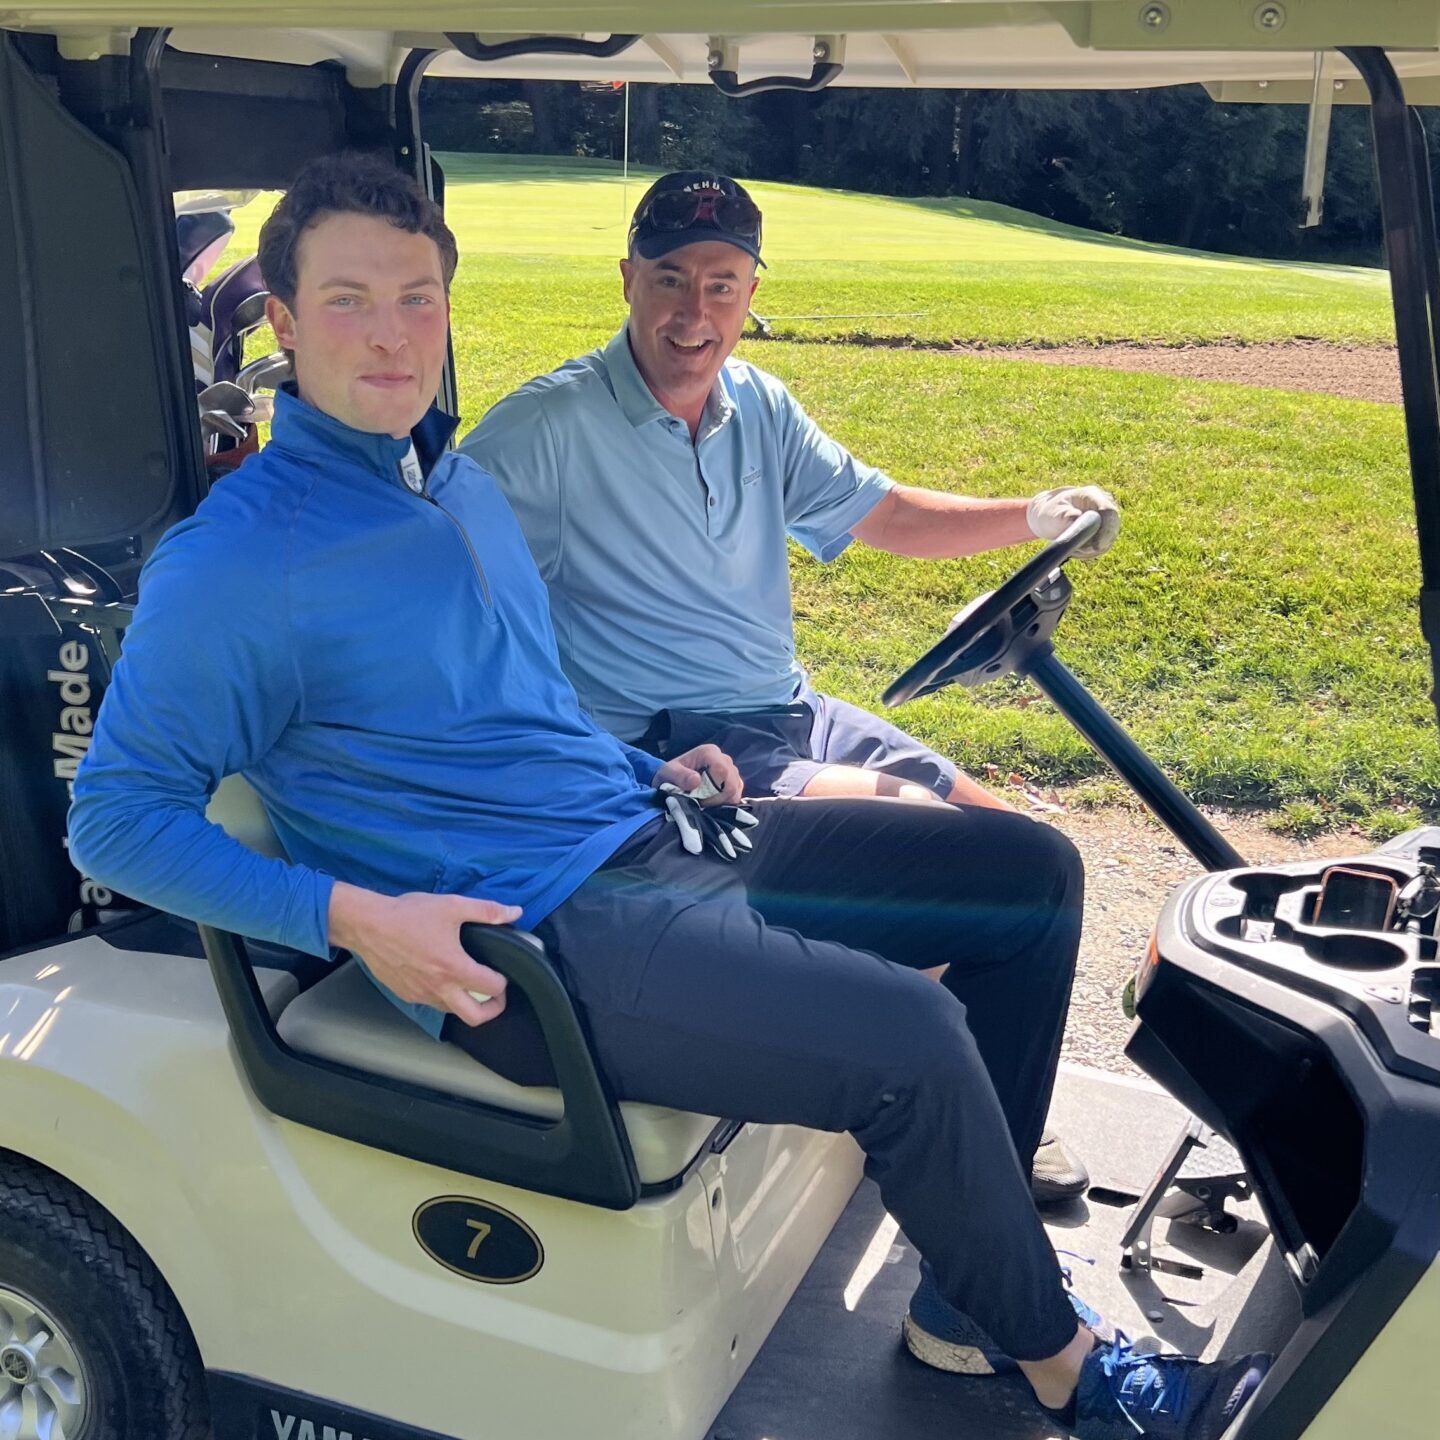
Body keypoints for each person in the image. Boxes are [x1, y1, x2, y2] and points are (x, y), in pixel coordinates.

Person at [68, 153, 1268, 1440]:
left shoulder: (451, 484)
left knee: (1026, 878)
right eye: (349, 301)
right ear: (286, 323)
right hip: (523, 937)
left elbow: (523, 705)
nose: (392, 335)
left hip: (642, 831)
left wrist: (649, 769)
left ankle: (973, 1295)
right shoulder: (242, 556)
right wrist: (353, 918)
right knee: (909, 1043)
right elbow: (116, 822)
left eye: (418, 299)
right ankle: (1070, 1372)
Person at [459, 169, 1115, 1208]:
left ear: (752, 291)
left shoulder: (758, 407)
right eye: (670, 279)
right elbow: (453, 611)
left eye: (721, 284)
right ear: (627, 279)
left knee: (1019, 846)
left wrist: (1033, 517)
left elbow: (883, 514)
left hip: (794, 710)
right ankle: (968, 1169)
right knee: (965, 861)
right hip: (684, 748)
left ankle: (989, 1122)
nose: (694, 313)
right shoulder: (546, 429)